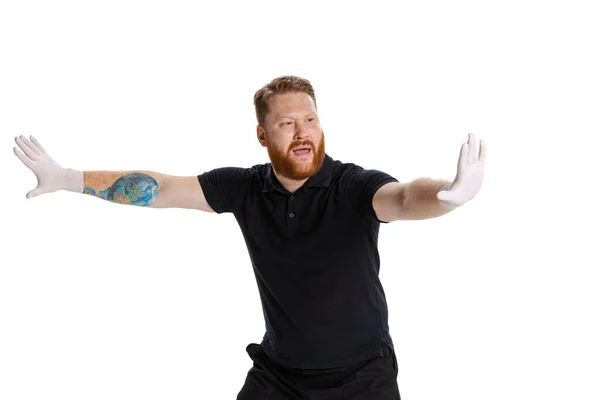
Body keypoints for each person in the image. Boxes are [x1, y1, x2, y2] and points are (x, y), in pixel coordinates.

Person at [13, 75, 486, 399]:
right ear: (262, 134)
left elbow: (403, 198)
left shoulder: (352, 186)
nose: (303, 133)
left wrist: (448, 195)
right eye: (287, 123)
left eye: (311, 120)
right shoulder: (244, 187)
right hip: (278, 377)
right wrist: (69, 178)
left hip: (362, 379)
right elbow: (160, 188)